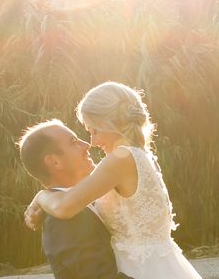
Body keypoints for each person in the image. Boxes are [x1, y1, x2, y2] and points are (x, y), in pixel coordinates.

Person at [26, 82, 202, 279]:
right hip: (159, 265)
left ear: (110, 122)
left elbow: (65, 206)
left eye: (94, 131)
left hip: (142, 270)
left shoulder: (120, 159)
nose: (92, 142)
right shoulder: (138, 157)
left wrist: (41, 196)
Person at [18, 119, 132, 279]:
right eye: (73, 142)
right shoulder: (65, 221)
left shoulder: (85, 200)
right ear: (54, 162)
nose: (86, 144)